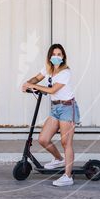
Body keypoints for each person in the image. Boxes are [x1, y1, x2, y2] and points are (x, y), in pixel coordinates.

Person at [21, 43, 81, 187]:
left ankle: (68, 176)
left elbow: (53, 90)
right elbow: (36, 78)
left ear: (63, 57)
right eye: (54, 54)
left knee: (66, 143)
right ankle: (59, 159)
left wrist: (33, 86)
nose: (56, 57)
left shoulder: (65, 72)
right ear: (50, 56)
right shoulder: (48, 69)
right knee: (43, 139)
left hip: (67, 108)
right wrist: (27, 83)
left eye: (59, 54)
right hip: (55, 109)